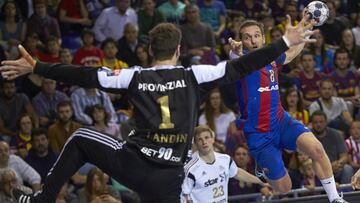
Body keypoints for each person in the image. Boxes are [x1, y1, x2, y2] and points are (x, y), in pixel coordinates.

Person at [0, 20, 315, 203]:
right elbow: (245, 64)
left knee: (81, 137)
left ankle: (43, 200)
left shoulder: (134, 76)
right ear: (179, 50)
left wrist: (38, 67)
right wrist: (287, 39)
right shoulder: (195, 75)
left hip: (133, 165)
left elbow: (82, 75)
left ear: (150, 50)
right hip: (169, 180)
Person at [229, 17, 347, 203]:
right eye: (247, 37)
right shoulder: (241, 62)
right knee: (284, 188)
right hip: (259, 135)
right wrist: (234, 51)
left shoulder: (272, 59)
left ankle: (335, 198)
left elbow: (290, 54)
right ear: (241, 41)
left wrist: (306, 30)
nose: (252, 41)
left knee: (316, 149)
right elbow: (235, 56)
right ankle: (263, 165)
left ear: (263, 39)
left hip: (281, 121)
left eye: (256, 36)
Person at [181, 125, 267, 203]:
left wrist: (260, 181)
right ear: (196, 144)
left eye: (207, 137)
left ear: (212, 139)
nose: (204, 142)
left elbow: (237, 173)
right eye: (200, 139)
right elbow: (183, 195)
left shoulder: (225, 159)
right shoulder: (190, 169)